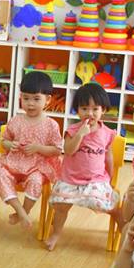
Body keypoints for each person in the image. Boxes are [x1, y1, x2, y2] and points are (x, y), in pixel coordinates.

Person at [46, 84, 119, 251]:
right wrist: (80, 134)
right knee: (61, 207)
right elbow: (68, 150)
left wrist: (110, 177)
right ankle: (55, 234)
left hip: (95, 180)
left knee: (109, 206)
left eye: (95, 109)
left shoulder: (107, 133)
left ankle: (123, 231)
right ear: (77, 110)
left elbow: (108, 156)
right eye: (84, 108)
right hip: (70, 180)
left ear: (103, 110)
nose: (89, 113)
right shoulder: (72, 130)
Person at [0, 71, 63, 229]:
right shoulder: (16, 120)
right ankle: (21, 212)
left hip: (37, 167)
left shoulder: (51, 124)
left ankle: (24, 211)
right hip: (13, 163)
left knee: (36, 181)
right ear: (20, 98)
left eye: (36, 99)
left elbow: (57, 150)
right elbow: (4, 141)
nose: (30, 104)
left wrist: (39, 148)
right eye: (26, 98)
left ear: (48, 99)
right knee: (0, 175)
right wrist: (10, 145)